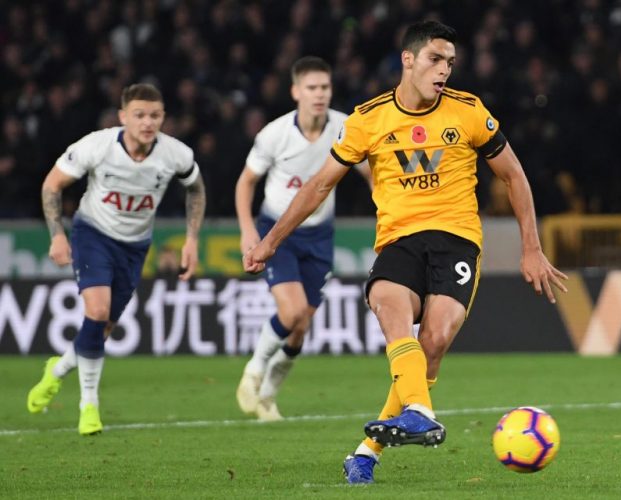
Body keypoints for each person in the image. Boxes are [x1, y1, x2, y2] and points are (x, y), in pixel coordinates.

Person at [244, 21, 567, 484]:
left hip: (456, 240)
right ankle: (418, 411)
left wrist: (531, 247)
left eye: (450, 62)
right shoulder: (369, 119)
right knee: (389, 306)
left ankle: (367, 452)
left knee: (432, 343)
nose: (444, 70)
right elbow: (318, 186)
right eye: (436, 59)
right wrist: (270, 241)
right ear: (408, 60)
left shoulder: (469, 112)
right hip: (399, 240)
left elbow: (513, 175)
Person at [26, 83, 206, 435]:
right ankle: (89, 406)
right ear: (123, 116)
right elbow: (52, 185)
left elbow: (196, 188)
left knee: (102, 328)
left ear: (163, 117)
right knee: (97, 312)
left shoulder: (176, 154)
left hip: (135, 246)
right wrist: (57, 234)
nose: (147, 122)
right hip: (93, 234)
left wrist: (192, 239)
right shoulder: (97, 146)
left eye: (154, 115)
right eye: (139, 115)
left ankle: (57, 370)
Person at [235, 56, 369, 421]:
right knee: (291, 312)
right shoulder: (274, 134)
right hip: (278, 231)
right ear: (296, 92)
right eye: (312, 88)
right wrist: (248, 230)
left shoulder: (344, 127)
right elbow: (246, 182)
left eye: (325, 87)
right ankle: (254, 370)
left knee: (301, 326)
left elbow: (371, 174)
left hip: (320, 234)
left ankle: (268, 396)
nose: (319, 94)